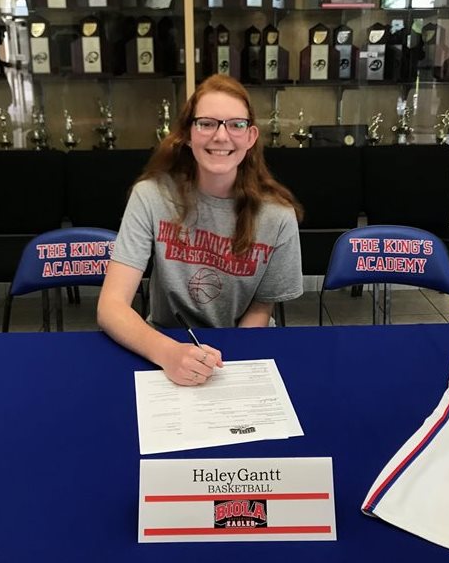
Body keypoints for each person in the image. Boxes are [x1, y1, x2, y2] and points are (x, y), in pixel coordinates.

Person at [97, 74, 303, 385]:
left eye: (235, 124)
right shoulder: (151, 196)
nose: (221, 136)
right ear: (187, 135)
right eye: (207, 123)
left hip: (241, 351)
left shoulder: (278, 216)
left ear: (250, 136)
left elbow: (262, 306)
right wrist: (168, 353)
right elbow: (111, 306)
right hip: (163, 345)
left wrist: (226, 362)